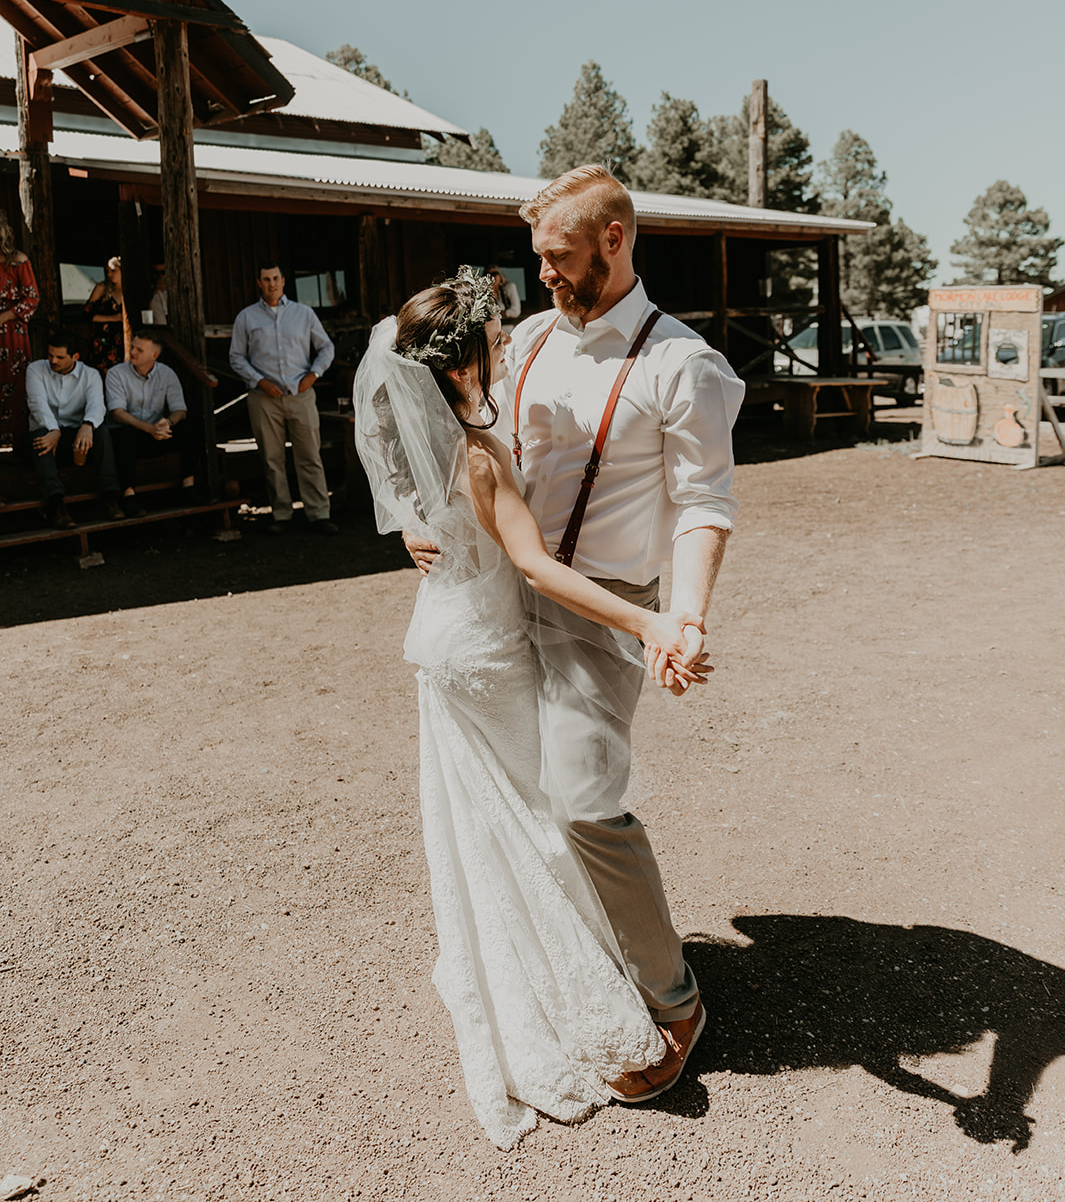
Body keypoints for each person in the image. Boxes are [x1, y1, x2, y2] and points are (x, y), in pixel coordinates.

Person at [405, 165, 745, 1103]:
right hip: (499, 602)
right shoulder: (522, 340)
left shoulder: (683, 363)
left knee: (584, 801)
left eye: (556, 258)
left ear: (613, 239)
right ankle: (577, 959)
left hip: (603, 609)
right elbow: (461, 436)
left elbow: (703, 506)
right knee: (522, 792)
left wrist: (682, 617)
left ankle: (674, 1001)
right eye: (536, 261)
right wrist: (425, 519)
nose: (544, 275)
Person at [354, 267, 708, 1150]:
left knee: (488, 823)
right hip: (488, 652)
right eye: (497, 338)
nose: (509, 343)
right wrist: (649, 621)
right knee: (542, 818)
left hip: (446, 636)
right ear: (467, 364)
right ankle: (576, 988)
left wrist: (413, 528)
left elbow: (427, 511)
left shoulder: (439, 434)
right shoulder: (480, 451)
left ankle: (514, 959)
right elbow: (537, 567)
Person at [229, 262, 338, 535]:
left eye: (275, 278)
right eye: (266, 279)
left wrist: (314, 375)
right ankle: (282, 515)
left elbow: (326, 347)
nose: (271, 284)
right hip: (263, 397)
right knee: (272, 458)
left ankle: (319, 513)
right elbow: (236, 357)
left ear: (283, 280)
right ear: (259, 283)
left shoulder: (303, 314)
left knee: (310, 455)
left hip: (300, 394)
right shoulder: (246, 317)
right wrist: (259, 381)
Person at [26, 331, 124, 527]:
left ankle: (110, 497)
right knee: (40, 438)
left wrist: (87, 425)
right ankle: (56, 505)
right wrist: (53, 430)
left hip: (78, 436)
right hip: (48, 431)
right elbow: (37, 404)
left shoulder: (90, 374)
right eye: (50, 355)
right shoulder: (35, 369)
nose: (53, 360)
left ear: (75, 357)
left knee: (102, 431)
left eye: (60, 357)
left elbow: (97, 404)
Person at [105, 330, 197, 516]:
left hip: (157, 433)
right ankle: (128, 496)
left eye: (139, 350)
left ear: (154, 355)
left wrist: (168, 423)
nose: (133, 352)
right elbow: (118, 414)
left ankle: (189, 487)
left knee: (189, 427)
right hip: (130, 435)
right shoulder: (116, 373)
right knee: (124, 434)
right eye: (132, 347)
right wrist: (149, 428)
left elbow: (180, 410)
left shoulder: (167, 374)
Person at [0, 209, 39, 445]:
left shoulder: (18, 261)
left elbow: (32, 297)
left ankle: (16, 443)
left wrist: (4, 316)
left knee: (14, 383)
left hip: (11, 333)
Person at [84, 256, 124, 373]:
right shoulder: (102, 288)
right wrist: (113, 318)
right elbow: (87, 315)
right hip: (104, 339)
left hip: (122, 340)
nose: (109, 274)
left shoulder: (130, 290)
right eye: (107, 271)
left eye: (113, 270)